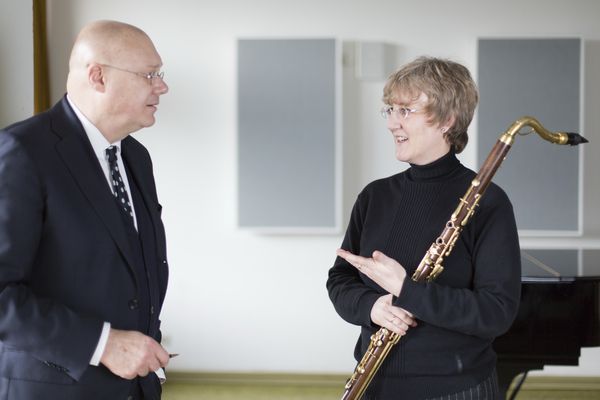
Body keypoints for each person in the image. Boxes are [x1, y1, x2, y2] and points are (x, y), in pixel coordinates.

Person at [327, 57, 521, 399]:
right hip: (375, 383)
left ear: (447, 120)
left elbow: (495, 313)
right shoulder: (375, 196)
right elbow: (340, 280)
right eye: (390, 110)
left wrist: (406, 288)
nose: (391, 123)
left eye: (406, 111)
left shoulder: (488, 202)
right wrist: (372, 307)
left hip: (457, 389)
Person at [0, 20, 171, 399]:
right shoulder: (23, 151)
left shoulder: (135, 157)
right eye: (149, 74)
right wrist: (103, 344)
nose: (162, 86)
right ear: (98, 77)